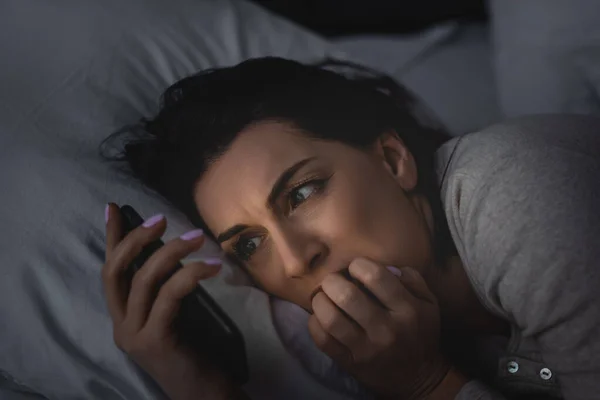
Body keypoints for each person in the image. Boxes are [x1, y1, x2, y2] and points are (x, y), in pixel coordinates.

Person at [101, 57, 600, 400]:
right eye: (251, 244)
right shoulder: (385, 343)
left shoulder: (514, 193)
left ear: (392, 159)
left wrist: (428, 386)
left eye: (301, 193)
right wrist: (201, 390)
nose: (297, 261)